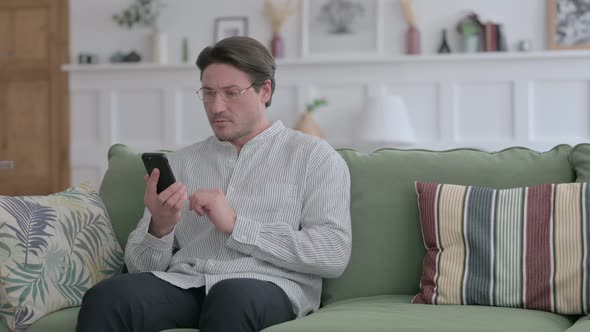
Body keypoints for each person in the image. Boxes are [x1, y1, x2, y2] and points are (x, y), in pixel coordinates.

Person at [76, 36, 352, 332]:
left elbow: (333, 253)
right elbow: (142, 269)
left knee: (230, 296)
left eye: (231, 92)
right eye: (208, 93)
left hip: (268, 286)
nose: (216, 107)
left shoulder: (313, 156)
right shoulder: (181, 162)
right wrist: (160, 227)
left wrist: (236, 225)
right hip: (187, 283)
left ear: (265, 90)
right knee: (108, 296)